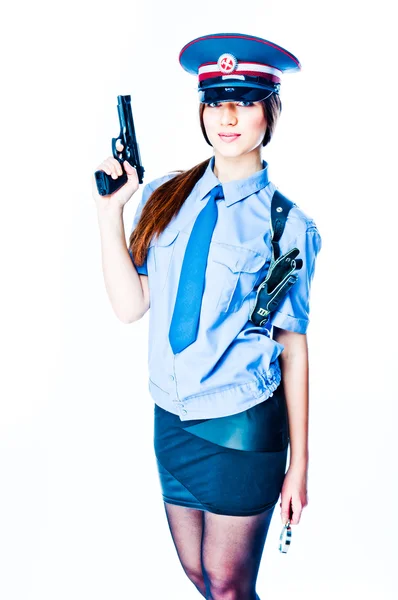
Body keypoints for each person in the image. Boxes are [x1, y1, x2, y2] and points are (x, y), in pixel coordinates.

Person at [92, 32, 322, 600]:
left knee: (226, 588)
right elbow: (129, 307)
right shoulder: (165, 195)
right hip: (170, 420)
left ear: (269, 114)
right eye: (216, 102)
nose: (227, 116)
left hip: (242, 425)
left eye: (244, 101)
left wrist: (300, 463)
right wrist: (109, 212)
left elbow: (292, 347)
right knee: (199, 576)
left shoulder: (287, 226)